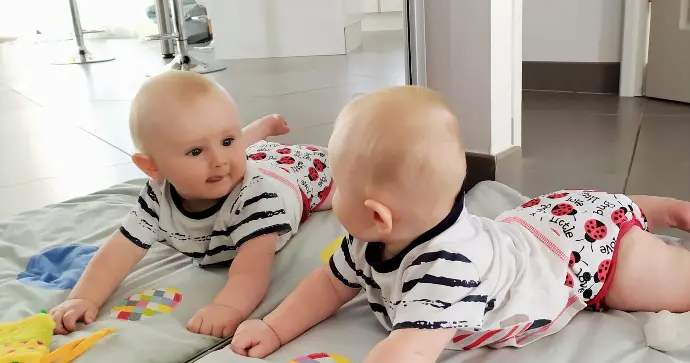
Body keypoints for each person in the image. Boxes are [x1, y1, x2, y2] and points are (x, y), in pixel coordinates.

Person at [230, 86, 690, 362]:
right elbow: (327, 286)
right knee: (585, 211)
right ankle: (649, 208)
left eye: (338, 181)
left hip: (582, 258)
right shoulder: (366, 239)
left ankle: (656, 214)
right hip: (540, 222)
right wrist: (274, 327)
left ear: (377, 215)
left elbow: (410, 348)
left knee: (659, 280)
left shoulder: (446, 269)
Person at [49, 71, 334, 338]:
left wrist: (227, 307)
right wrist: (83, 297)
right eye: (195, 151)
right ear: (152, 167)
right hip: (253, 159)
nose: (218, 159)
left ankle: (257, 130)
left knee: (348, 186)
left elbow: (252, 267)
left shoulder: (256, 199)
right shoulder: (158, 195)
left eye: (227, 139)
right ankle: (255, 131)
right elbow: (118, 251)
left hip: (298, 175)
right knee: (239, 155)